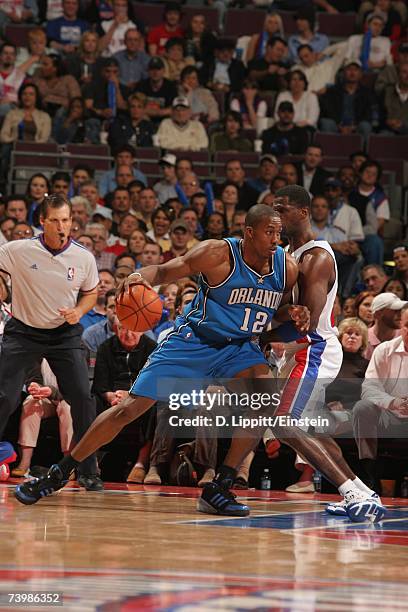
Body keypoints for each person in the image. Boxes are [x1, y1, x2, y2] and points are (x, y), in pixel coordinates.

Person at [14, 203, 302, 505]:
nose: (275, 239)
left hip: (239, 347)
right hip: (194, 342)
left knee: (264, 396)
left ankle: (222, 483)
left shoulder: (287, 268)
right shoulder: (217, 254)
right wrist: (140, 277)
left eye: (279, 233)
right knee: (130, 409)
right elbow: (165, 271)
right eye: (269, 232)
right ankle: (60, 473)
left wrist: (294, 314)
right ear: (249, 233)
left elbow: (278, 314)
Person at [260, 185, 386, 518]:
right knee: (309, 430)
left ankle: (350, 492)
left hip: (313, 349)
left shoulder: (315, 257)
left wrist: (261, 335)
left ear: (302, 212)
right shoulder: (290, 253)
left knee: (285, 424)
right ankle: (363, 491)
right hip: (299, 350)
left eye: (282, 208)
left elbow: (307, 322)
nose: (277, 215)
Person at [0, 193, 102, 491]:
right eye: (55, 220)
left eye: (66, 220)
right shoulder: (19, 250)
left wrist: (79, 311)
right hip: (23, 330)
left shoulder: (83, 257)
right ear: (42, 222)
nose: (61, 226)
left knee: (83, 399)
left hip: (63, 334)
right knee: (4, 397)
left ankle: (88, 469)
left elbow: (92, 293)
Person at [352, 304, 408, 492]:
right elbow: (369, 387)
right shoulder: (384, 350)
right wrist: (393, 402)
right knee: (362, 407)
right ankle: (368, 474)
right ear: (401, 325)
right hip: (388, 413)